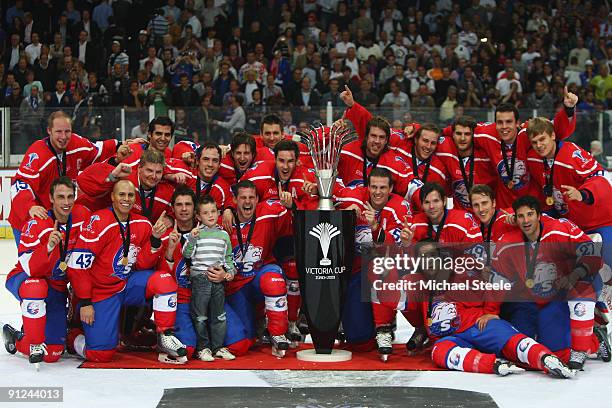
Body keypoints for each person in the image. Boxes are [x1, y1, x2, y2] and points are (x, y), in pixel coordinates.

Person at [407, 239, 576, 378]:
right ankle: (494, 365)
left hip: (478, 325)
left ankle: (547, 359)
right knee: (439, 352)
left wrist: (491, 311)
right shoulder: (418, 284)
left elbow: (496, 283)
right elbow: (403, 306)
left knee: (512, 341)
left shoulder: (460, 274)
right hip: (451, 338)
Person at [66, 180, 187, 364]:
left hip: (127, 284)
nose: (126, 199)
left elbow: (142, 263)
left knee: (164, 280)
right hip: (101, 292)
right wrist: (85, 302)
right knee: (101, 354)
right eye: (121, 194)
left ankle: (165, 335)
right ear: (113, 197)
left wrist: (155, 240)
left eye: (130, 195)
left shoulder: (143, 223)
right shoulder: (98, 222)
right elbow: (77, 266)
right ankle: (71, 335)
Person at [493, 196, 603, 370]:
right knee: (549, 350)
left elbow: (594, 255)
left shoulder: (560, 229)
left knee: (582, 285)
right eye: (520, 216)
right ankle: (594, 336)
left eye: (530, 214)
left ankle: (582, 348)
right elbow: (498, 277)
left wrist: (574, 275)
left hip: (573, 288)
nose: (526, 220)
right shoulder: (508, 242)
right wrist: (491, 311)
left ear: (539, 215)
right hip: (545, 300)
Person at [3, 176, 90, 367]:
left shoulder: (82, 217)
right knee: (36, 287)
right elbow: (30, 268)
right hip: (26, 278)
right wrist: (49, 247)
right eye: (60, 197)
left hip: (56, 287)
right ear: (51, 199)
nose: (66, 203)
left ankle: (19, 337)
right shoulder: (37, 223)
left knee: (53, 353)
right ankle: (31, 341)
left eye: (70, 197)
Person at [8, 111, 117, 246]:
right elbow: (20, 184)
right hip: (28, 219)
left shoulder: (76, 143)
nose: (64, 137)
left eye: (67, 131)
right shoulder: (37, 154)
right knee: (33, 264)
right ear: (49, 131)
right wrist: (30, 207)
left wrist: (121, 146)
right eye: (59, 132)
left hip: (57, 216)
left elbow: (98, 150)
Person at [223, 180, 292, 357]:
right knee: (244, 342)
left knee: (274, 281)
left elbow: (290, 218)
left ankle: (278, 333)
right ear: (235, 201)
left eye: (251, 198)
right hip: (236, 286)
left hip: (261, 274)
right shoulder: (223, 223)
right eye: (243, 198)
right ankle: (258, 321)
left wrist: (291, 205)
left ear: (257, 199)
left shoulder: (268, 213)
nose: (247, 202)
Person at [182, 196, 236, 361]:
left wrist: (230, 273)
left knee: (219, 315)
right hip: (200, 278)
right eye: (206, 213)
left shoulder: (224, 235)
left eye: (213, 211)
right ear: (198, 217)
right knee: (200, 316)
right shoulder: (196, 234)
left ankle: (218, 347)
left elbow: (228, 259)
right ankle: (203, 348)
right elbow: (186, 254)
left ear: (219, 212)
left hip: (218, 281)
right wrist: (191, 238)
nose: (211, 215)